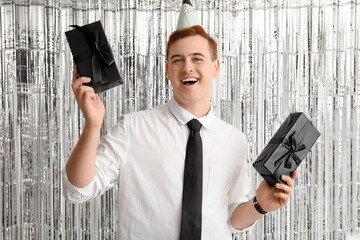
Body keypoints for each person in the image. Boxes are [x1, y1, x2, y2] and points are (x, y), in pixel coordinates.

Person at [62, 3, 297, 238]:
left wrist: (260, 205)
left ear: (216, 67)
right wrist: (92, 125)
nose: (187, 67)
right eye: (177, 60)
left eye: (197, 58)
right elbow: (78, 190)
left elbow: (232, 219)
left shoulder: (235, 140)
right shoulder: (132, 128)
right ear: (167, 70)